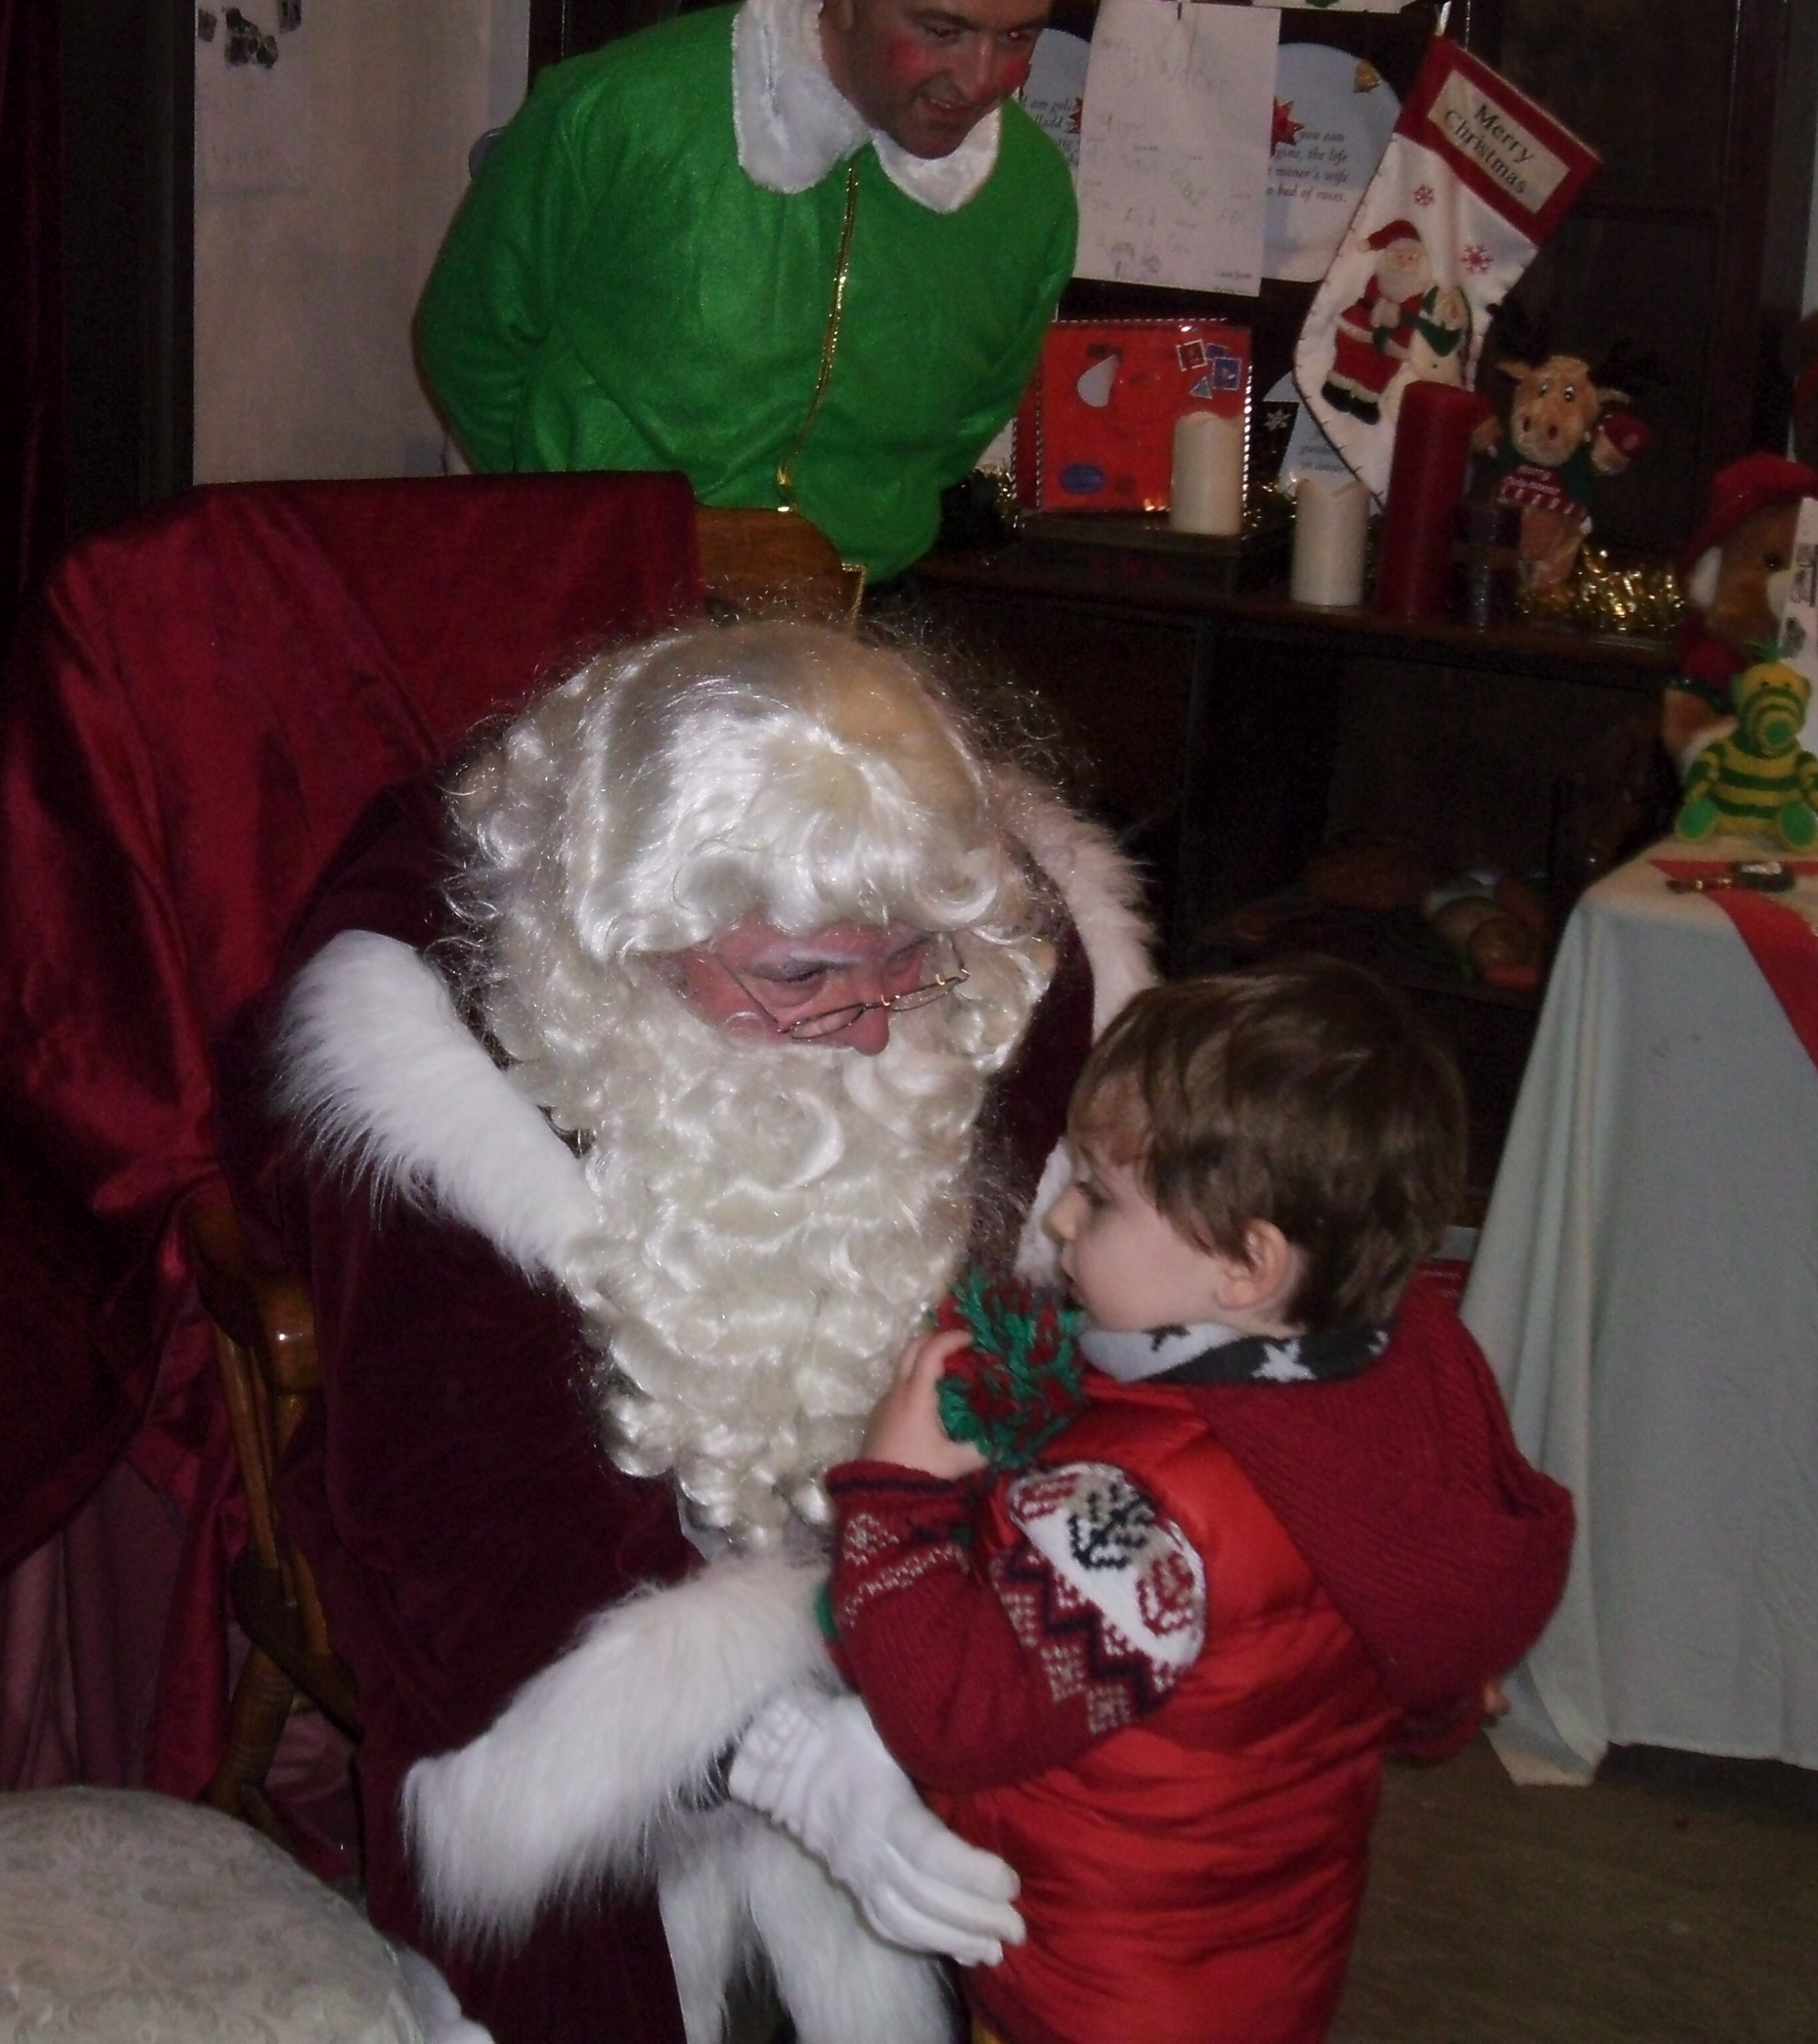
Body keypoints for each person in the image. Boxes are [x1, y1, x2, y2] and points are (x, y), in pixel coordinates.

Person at [221, 620, 1153, 2043]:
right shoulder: (443, 1080)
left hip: (915, 1554)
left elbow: (1090, 1362)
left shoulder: (1004, 975)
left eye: (902, 959)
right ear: (633, 944)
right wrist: (779, 1747)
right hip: (582, 1574)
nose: (867, 1026)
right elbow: (467, 1534)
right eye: (797, 977)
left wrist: (927, 1672)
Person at [825, 960, 1576, 2044]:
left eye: (1099, 1195)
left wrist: (895, 1496)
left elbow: (950, 1721)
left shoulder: (1140, 1516)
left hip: (1097, 1990)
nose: (1061, 1218)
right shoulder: (1410, 1358)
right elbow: (1421, 1600)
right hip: (1256, 1960)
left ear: (1245, 1266)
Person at [414, 0, 1075, 583]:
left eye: (1018, 37)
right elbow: (469, 340)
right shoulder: (622, 112)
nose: (978, 80)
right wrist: (587, 530)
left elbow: (966, 425)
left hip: (851, 618)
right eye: (941, 31)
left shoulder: (1028, 191)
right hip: (604, 590)